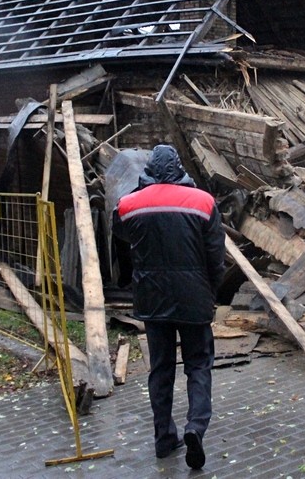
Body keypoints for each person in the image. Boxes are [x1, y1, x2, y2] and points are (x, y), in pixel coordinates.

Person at [112, 144, 227, 470]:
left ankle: (164, 438)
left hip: (152, 300)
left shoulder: (129, 205)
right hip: (194, 301)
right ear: (180, 168)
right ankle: (195, 428)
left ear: (148, 168)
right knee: (198, 365)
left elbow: (119, 236)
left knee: (160, 370)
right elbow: (216, 258)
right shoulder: (204, 203)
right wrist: (211, 292)